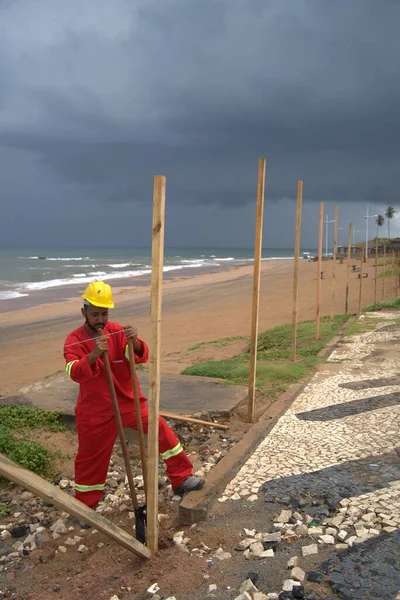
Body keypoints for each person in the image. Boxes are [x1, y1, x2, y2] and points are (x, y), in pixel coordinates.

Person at [63, 280, 205, 509]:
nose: (100, 320)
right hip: (95, 411)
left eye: (104, 314)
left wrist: (135, 341)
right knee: (90, 460)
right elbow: (74, 372)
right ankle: (85, 507)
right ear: (84, 312)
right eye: (95, 314)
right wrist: (94, 354)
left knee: (160, 430)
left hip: (126, 402)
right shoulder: (74, 339)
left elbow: (139, 355)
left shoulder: (117, 331)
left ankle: (181, 478)